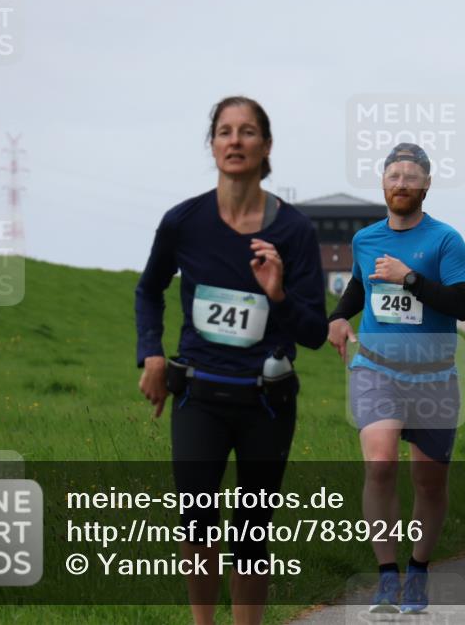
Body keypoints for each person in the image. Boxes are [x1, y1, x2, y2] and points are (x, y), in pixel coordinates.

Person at [135, 97, 327, 625]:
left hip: (266, 401)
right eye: (224, 131)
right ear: (213, 145)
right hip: (199, 394)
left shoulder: (295, 233)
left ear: (266, 147)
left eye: (247, 132)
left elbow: (313, 334)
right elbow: (148, 290)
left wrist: (280, 293)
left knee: (250, 530)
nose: (235, 140)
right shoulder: (183, 222)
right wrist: (150, 352)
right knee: (196, 521)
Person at [327, 142, 465, 615]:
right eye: (395, 176)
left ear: (427, 184)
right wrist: (337, 317)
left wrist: (411, 278)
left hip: (433, 376)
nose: (403, 184)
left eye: (412, 177)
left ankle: (418, 571)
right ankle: (387, 576)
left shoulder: (447, 240)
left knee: (428, 480)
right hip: (376, 367)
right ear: (383, 183)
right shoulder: (366, 239)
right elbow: (359, 284)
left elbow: (462, 305)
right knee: (380, 464)